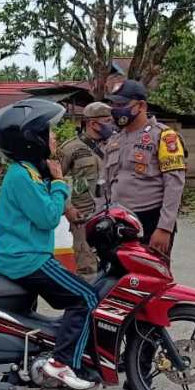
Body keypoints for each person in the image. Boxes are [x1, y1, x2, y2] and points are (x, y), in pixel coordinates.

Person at [0, 99, 98, 390]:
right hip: (28, 259)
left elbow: (49, 207)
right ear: (31, 139)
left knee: (24, 322)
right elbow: (48, 217)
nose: (54, 138)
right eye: (49, 133)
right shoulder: (23, 176)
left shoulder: (30, 172)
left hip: (17, 257)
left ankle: (19, 379)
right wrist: (60, 182)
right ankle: (62, 364)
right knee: (86, 297)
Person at [103, 79, 185, 256]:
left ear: (141, 106)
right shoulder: (114, 140)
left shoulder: (164, 136)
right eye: (114, 104)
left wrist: (165, 227)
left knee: (149, 272)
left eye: (122, 104)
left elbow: (174, 185)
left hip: (151, 221)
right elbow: (107, 184)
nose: (116, 109)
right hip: (118, 221)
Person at [59, 102, 113, 278]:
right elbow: (54, 179)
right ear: (93, 123)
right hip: (83, 218)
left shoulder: (116, 146)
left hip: (112, 216)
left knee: (113, 266)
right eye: (108, 121)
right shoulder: (70, 148)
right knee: (87, 269)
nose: (112, 125)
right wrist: (67, 208)